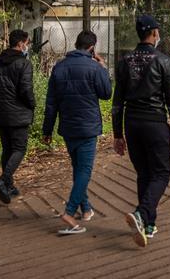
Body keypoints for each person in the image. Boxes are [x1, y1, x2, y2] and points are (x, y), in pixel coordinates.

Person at [112, 15, 170, 248]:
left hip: (132, 125)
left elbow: (117, 103)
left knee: (144, 174)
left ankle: (149, 225)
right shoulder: (163, 61)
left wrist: (118, 135)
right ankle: (142, 214)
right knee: (161, 174)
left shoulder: (124, 61)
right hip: (155, 124)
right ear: (154, 33)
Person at [42, 30, 112, 235]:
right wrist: (103, 69)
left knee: (78, 168)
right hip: (88, 127)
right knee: (84, 171)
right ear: (92, 48)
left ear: (77, 44)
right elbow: (107, 94)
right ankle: (70, 212)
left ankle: (86, 208)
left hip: (68, 127)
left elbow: (51, 103)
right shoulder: (94, 67)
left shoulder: (59, 67)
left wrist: (47, 130)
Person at [0, 29, 35, 204]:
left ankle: (9, 186)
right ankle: (3, 180)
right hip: (19, 114)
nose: (27, 47)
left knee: (7, 149)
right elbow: (26, 90)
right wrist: (32, 105)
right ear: (21, 44)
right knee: (19, 149)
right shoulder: (24, 64)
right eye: (27, 43)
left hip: (0, 114)